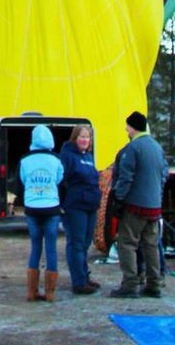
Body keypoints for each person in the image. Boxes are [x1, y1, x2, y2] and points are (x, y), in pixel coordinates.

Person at [109, 111, 168, 299]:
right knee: (150, 245)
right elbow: (164, 174)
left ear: (133, 127)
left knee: (127, 243)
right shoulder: (157, 147)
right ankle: (154, 283)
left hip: (135, 205)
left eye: (127, 126)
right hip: (154, 206)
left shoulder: (132, 149)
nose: (126, 129)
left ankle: (130, 284)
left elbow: (126, 178)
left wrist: (118, 199)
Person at [20, 125, 64, 303]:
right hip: (51, 206)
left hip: (32, 207)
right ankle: (50, 292)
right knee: (51, 248)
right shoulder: (56, 160)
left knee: (35, 247)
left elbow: (23, 180)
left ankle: (31, 291)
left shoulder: (25, 161)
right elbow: (59, 178)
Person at [60, 124, 102, 295]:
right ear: (75, 138)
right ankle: (78, 282)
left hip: (91, 205)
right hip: (75, 205)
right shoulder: (67, 156)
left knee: (85, 243)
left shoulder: (89, 157)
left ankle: (84, 275)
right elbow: (61, 181)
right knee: (76, 243)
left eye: (87, 137)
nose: (85, 140)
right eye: (82, 137)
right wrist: (63, 202)